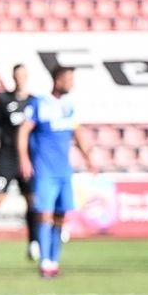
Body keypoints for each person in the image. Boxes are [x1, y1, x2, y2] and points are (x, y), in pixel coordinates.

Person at [16, 64, 94, 280]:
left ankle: (54, 260)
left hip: (64, 172)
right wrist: (24, 158)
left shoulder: (69, 106)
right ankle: (45, 262)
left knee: (60, 216)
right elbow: (23, 131)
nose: (71, 84)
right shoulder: (40, 104)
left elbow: (77, 133)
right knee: (45, 214)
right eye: (69, 80)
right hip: (45, 171)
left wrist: (88, 159)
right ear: (58, 80)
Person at [0, 64, 35, 269]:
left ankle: (34, 243)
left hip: (27, 158)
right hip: (7, 157)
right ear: (13, 77)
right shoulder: (3, 100)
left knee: (32, 201)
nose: (20, 78)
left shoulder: (34, 102)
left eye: (23, 75)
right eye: (17, 75)